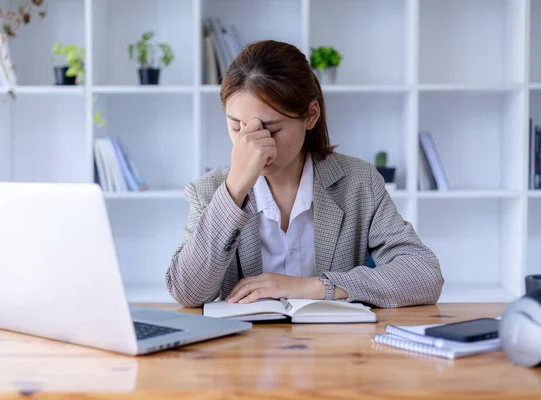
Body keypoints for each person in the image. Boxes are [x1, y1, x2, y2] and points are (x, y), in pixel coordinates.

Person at [166, 40, 443, 308]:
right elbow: (188, 292)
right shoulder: (209, 190)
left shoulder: (359, 182)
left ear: (310, 115)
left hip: (333, 349)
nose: (252, 144)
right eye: (237, 128)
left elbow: (424, 274)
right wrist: (235, 188)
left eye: (271, 129)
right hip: (244, 349)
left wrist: (314, 287)